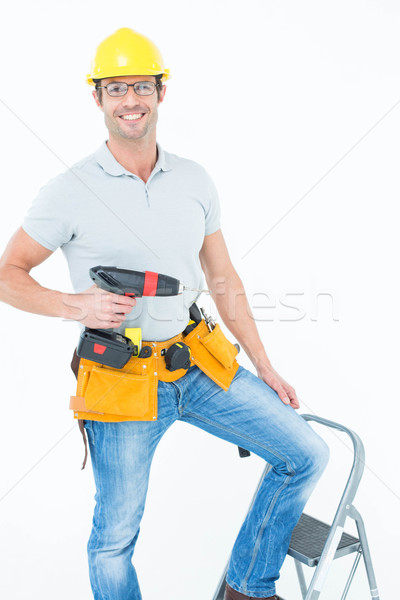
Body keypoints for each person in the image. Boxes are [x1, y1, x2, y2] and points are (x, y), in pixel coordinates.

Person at [0, 27, 329, 600]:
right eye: (117, 88)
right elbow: (8, 275)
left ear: (161, 92)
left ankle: (247, 587)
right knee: (115, 538)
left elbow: (224, 280)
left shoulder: (195, 180)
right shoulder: (67, 190)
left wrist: (266, 365)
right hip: (121, 379)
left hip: (195, 363)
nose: (132, 100)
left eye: (143, 86)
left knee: (305, 454)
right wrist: (74, 305)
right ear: (97, 97)